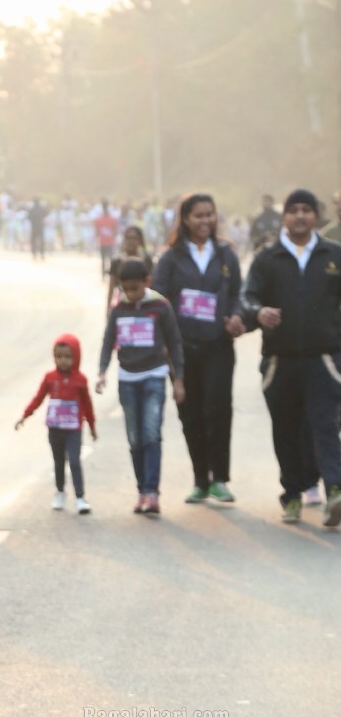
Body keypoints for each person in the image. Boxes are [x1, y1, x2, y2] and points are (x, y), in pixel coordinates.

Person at [241, 188, 341, 525]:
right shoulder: (268, 259)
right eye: (294, 210)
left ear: (316, 215)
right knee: (286, 429)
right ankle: (293, 494)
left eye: (306, 210)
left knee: (326, 426)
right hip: (280, 361)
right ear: (285, 216)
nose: (300, 216)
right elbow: (247, 298)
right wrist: (258, 313)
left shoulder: (333, 255)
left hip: (324, 359)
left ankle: (336, 492)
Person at [151, 193, 245, 505]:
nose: (205, 221)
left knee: (217, 410)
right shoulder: (171, 257)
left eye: (210, 215)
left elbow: (237, 295)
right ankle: (200, 480)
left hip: (218, 346)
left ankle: (220, 479)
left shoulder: (226, 255)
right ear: (185, 220)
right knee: (190, 413)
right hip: (182, 350)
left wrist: (236, 317)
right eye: (198, 216)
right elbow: (158, 300)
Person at [96, 258, 185, 516]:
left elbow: (175, 343)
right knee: (135, 438)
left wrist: (178, 378)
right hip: (128, 379)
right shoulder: (119, 308)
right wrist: (102, 371)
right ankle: (140, 491)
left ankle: (152, 492)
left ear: (146, 282)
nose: (130, 294)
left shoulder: (160, 306)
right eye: (125, 289)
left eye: (135, 288)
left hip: (154, 376)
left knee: (151, 433)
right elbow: (108, 341)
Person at [15, 334, 97, 513]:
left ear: (76, 357)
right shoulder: (50, 378)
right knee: (59, 461)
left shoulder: (80, 380)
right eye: (59, 356)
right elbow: (38, 398)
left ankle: (80, 497)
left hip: (74, 428)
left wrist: (92, 426)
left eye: (68, 357)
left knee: (74, 461)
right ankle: (60, 492)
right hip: (55, 429)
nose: (63, 361)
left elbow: (87, 404)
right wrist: (25, 415)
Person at [106, 225, 152, 311]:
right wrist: (108, 310)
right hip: (123, 305)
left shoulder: (146, 260)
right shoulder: (117, 261)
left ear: (140, 241)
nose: (131, 241)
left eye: (134, 238)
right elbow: (111, 289)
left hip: (143, 305)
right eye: (128, 238)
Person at [94, 201, 120, 279]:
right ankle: (103, 275)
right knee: (104, 259)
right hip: (103, 242)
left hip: (110, 242)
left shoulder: (112, 219)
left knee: (110, 259)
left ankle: (111, 275)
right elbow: (97, 231)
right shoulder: (99, 219)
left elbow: (115, 230)